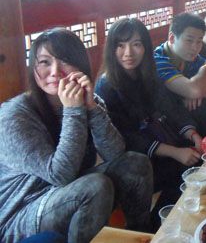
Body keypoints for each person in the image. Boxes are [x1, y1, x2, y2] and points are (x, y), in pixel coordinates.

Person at [0, 28, 153, 243]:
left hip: (69, 190)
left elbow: (115, 153)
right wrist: (73, 111)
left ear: (80, 65)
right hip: (22, 212)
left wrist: (91, 108)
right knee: (95, 186)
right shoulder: (13, 117)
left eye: (64, 60)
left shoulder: (88, 98)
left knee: (136, 163)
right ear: (33, 67)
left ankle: (142, 233)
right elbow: (60, 175)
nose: (55, 71)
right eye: (44, 62)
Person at [95, 18, 202, 226]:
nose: (128, 53)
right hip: (133, 159)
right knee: (182, 170)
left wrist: (192, 133)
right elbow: (126, 137)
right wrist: (175, 152)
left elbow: (171, 108)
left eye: (136, 44)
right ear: (111, 49)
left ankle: (175, 220)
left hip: (158, 141)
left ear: (145, 47)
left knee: (197, 161)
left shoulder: (148, 75)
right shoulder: (106, 86)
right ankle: (154, 228)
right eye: (120, 45)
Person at [154, 13, 206, 136]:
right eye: (189, 40)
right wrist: (204, 70)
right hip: (166, 118)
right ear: (172, 38)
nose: (195, 47)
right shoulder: (159, 60)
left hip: (185, 108)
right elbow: (194, 90)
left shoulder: (188, 55)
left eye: (199, 41)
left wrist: (204, 93)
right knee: (201, 105)